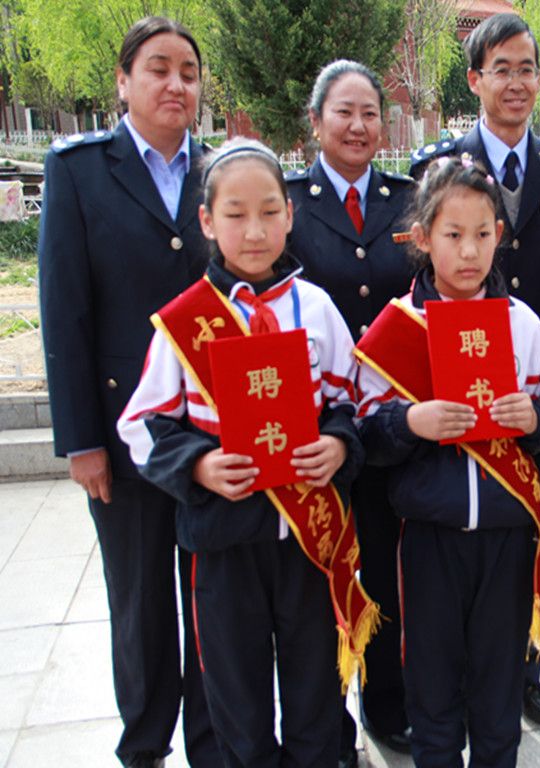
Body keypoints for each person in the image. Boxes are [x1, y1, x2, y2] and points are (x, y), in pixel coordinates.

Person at [117, 138, 368, 767]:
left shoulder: (315, 309)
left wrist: (338, 444)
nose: (254, 231)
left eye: (268, 212)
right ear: (207, 221)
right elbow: (142, 425)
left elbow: (352, 399)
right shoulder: (185, 322)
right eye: (235, 214)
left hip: (307, 543)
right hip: (223, 543)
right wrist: (198, 465)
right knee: (237, 702)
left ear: (290, 214)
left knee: (316, 693)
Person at [37, 16, 218, 768]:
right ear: (123, 82)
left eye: (188, 72)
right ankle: (144, 743)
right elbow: (64, 312)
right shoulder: (80, 170)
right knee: (139, 601)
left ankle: (213, 739)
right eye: (158, 69)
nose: (176, 84)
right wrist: (82, 440)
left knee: (212, 597)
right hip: (123, 434)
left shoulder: (223, 172)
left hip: (212, 432)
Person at [354, 156, 540, 768]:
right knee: (432, 691)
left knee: (497, 691)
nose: (469, 251)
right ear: (422, 238)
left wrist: (534, 420)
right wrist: (409, 423)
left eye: (483, 234)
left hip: (505, 537)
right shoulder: (396, 328)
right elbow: (364, 433)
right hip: (427, 538)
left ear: (500, 235)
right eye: (453, 234)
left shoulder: (523, 324)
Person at [409, 11, 540, 725]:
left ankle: (523, 670)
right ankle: (450, 685)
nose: (516, 82)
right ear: (474, 79)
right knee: (449, 548)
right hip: (450, 383)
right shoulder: (441, 165)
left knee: (521, 528)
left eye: (526, 68)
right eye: (501, 68)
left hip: (523, 380)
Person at [288, 58, 416, 762]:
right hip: (323, 428)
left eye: (371, 112)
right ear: (317, 122)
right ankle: (330, 721)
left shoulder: (409, 199)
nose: (360, 125)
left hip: (393, 425)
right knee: (325, 575)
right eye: (344, 112)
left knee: (388, 572)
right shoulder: (288, 205)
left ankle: (389, 703)